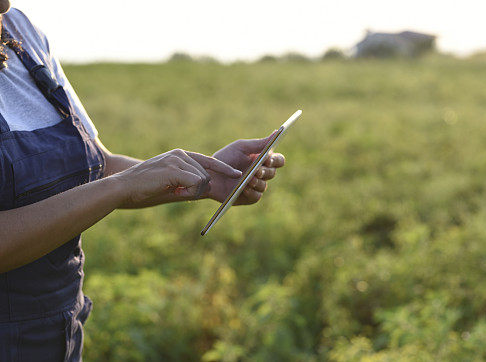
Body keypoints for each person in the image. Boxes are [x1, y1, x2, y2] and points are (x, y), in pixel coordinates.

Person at [0, 4, 286, 360]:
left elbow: (97, 164)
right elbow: (111, 184)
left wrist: (209, 179)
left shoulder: (20, 30)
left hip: (57, 338)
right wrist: (120, 187)